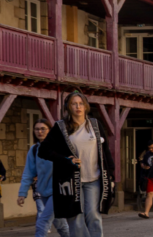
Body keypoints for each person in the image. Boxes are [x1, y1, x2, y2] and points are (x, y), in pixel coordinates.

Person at [38, 91, 115, 237]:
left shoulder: (95, 125)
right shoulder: (60, 127)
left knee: (93, 215)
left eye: (80, 103)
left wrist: (111, 173)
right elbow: (43, 150)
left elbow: (105, 150)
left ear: (85, 106)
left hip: (94, 179)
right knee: (75, 218)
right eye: (74, 104)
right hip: (70, 180)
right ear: (68, 107)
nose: (78, 107)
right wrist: (65, 159)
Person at [18, 119, 70, 237]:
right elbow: (28, 172)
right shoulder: (34, 149)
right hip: (44, 192)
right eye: (37, 129)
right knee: (61, 225)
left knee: (42, 222)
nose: (39, 131)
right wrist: (22, 193)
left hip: (58, 191)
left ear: (50, 130)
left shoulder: (58, 147)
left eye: (43, 129)